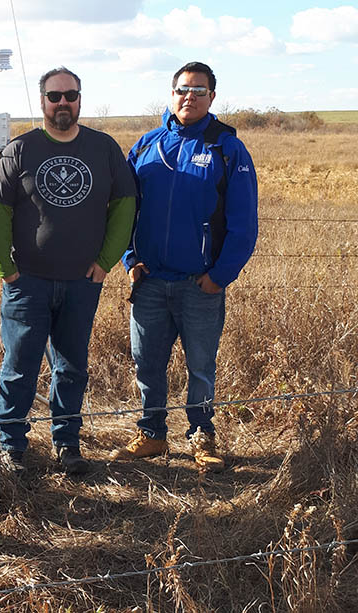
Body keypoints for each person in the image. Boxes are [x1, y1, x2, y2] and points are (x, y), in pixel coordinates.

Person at [0, 67, 136, 475]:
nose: (63, 103)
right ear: (42, 101)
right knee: (19, 368)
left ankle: (66, 443)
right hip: (27, 283)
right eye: (55, 96)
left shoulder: (103, 149)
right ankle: (11, 445)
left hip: (81, 283)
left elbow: (124, 206)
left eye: (70, 95)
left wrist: (106, 263)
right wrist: (5, 267)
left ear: (80, 99)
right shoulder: (20, 150)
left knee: (71, 368)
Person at [112, 61, 258, 472]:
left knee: (201, 366)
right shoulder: (146, 146)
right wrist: (129, 259)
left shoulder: (227, 149)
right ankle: (152, 434)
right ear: (171, 94)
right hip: (151, 282)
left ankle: (201, 434)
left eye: (198, 90)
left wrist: (218, 277)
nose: (189, 96)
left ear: (212, 96)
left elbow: (245, 225)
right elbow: (123, 212)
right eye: (182, 89)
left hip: (200, 285)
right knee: (148, 363)